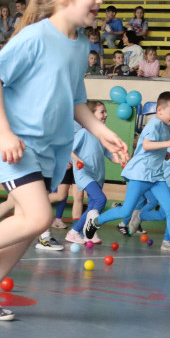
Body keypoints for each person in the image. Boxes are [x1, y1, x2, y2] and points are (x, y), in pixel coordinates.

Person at [0, 0, 129, 321]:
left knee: (29, 226)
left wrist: (101, 132)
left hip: (49, 149)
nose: (99, 1)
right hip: (16, 144)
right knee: (38, 217)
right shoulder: (35, 37)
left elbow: (75, 100)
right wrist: (3, 132)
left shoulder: (81, 45)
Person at [84, 92, 170, 260]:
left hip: (156, 176)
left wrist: (165, 153)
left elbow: (156, 147)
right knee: (126, 210)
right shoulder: (153, 124)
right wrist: (169, 143)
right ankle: (95, 221)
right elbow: (146, 144)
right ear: (159, 110)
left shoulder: (164, 126)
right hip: (140, 174)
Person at [64, 101, 116, 246]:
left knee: (93, 205)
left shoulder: (101, 135)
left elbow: (108, 153)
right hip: (84, 174)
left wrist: (121, 160)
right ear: (90, 116)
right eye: (102, 112)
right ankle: (74, 231)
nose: (105, 115)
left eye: (105, 112)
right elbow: (69, 149)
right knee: (101, 200)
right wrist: (76, 159)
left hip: (97, 174)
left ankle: (87, 233)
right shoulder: (83, 133)